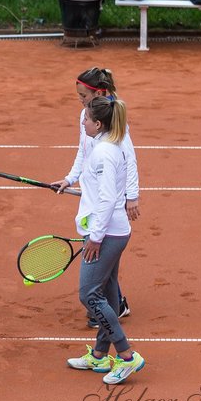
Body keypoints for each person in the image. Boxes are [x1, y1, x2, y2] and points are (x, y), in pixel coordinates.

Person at [64, 95, 146, 384]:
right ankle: (99, 355)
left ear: (98, 123)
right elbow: (100, 191)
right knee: (109, 293)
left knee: (89, 295)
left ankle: (127, 356)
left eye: (85, 118)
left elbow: (109, 198)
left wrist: (95, 237)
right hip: (110, 229)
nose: (82, 122)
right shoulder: (105, 147)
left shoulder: (104, 154)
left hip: (107, 232)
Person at [52, 67, 139, 324]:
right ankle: (115, 306)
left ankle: (102, 310)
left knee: (101, 253)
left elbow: (130, 160)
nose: (80, 102)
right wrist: (70, 178)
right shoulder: (87, 117)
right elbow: (83, 152)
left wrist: (132, 196)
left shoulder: (113, 122)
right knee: (107, 263)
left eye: (83, 96)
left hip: (108, 200)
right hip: (96, 196)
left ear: (97, 93)